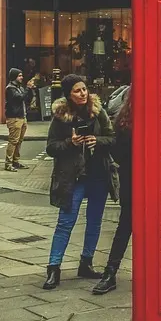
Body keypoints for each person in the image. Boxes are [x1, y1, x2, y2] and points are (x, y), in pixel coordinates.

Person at [42, 75, 118, 290]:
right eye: (77, 90)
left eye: (84, 89)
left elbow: (112, 138)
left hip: (98, 175)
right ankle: (53, 268)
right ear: (68, 94)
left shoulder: (98, 111)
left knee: (94, 221)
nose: (83, 93)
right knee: (65, 222)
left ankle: (86, 262)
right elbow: (50, 147)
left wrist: (98, 140)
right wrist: (70, 142)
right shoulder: (61, 117)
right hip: (73, 177)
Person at [93, 85, 133, 295]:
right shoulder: (130, 124)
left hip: (131, 182)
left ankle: (110, 273)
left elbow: (116, 153)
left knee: (123, 229)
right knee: (137, 227)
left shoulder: (122, 122)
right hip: (139, 183)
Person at [4, 68, 31, 172]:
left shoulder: (19, 87)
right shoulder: (10, 89)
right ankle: (8, 163)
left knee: (19, 141)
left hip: (22, 117)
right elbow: (19, 98)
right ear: (14, 77)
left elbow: (26, 98)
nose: (22, 77)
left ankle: (15, 161)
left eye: (21, 75)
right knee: (13, 141)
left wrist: (30, 90)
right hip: (14, 118)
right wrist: (27, 89)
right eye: (19, 76)